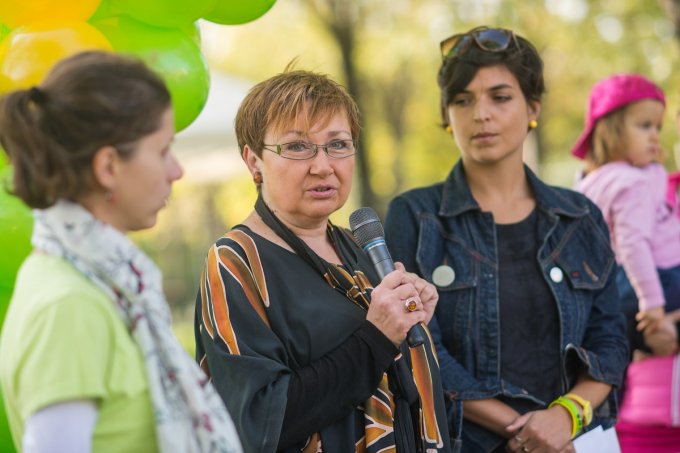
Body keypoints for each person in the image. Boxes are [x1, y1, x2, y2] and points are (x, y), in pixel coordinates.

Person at [383, 26, 629, 453]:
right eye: (463, 100)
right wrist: (529, 431)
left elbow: (610, 338)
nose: (481, 114)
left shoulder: (580, 215)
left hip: (579, 440)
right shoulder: (415, 216)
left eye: (500, 97)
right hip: (470, 442)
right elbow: (418, 346)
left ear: (532, 106)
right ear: (447, 117)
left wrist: (565, 417)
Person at [193, 68, 451, 453]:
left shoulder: (358, 246)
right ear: (254, 162)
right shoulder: (235, 263)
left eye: (338, 144)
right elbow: (262, 422)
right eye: (297, 147)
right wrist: (377, 337)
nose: (323, 165)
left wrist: (409, 317)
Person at [0, 51, 242, 453]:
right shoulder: (71, 305)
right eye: (163, 150)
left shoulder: (98, 281)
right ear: (108, 166)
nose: (176, 170)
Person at [570, 74, 680, 452]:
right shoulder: (633, 182)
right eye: (644, 126)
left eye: (658, 128)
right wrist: (655, 306)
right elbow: (633, 245)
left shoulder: (589, 180)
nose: (655, 137)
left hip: (616, 285)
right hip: (655, 280)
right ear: (612, 130)